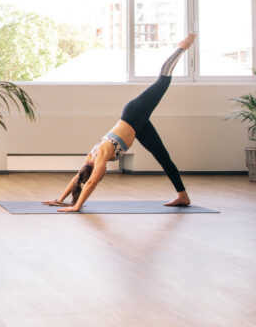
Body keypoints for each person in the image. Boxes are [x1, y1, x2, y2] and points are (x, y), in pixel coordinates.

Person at [44, 33, 197, 212]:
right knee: (163, 157)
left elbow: (92, 182)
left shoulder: (100, 155)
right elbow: (78, 179)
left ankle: (182, 47)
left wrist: (76, 207)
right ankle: (183, 196)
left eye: (97, 175)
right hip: (138, 127)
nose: (100, 176)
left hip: (134, 113)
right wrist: (60, 199)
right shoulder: (89, 161)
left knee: (163, 80)